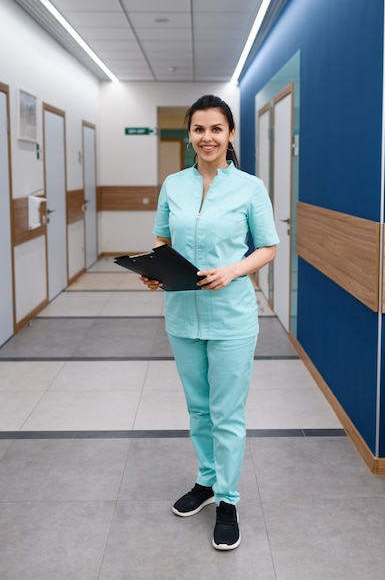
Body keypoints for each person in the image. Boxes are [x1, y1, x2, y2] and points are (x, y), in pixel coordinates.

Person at [140, 94, 279, 550]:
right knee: (198, 409)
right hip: (182, 315)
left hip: (233, 316)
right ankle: (205, 482)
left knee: (227, 413)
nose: (207, 137)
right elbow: (163, 239)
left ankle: (228, 501)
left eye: (216, 129)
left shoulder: (250, 188)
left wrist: (233, 270)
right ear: (190, 135)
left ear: (230, 134)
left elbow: (268, 247)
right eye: (199, 129)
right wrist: (154, 271)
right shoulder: (173, 185)